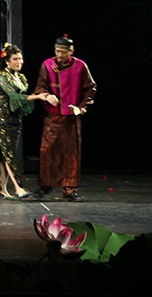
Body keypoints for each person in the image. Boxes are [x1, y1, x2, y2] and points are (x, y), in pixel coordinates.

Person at [34, 35, 97, 201]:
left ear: (71, 51)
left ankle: (69, 190)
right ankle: (44, 185)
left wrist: (82, 108)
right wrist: (46, 96)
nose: (59, 54)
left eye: (63, 51)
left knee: (71, 154)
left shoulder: (80, 66)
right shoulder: (47, 65)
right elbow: (40, 86)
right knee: (47, 151)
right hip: (52, 116)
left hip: (71, 118)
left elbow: (90, 88)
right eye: (57, 51)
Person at [0, 43, 54, 200]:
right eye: (15, 59)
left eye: (20, 58)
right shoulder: (2, 77)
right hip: (2, 119)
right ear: (7, 61)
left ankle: (2, 189)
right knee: (8, 154)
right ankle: (18, 187)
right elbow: (15, 96)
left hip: (15, 119)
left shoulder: (19, 78)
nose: (19, 62)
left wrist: (43, 95)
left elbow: (24, 97)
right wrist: (38, 96)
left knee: (6, 154)